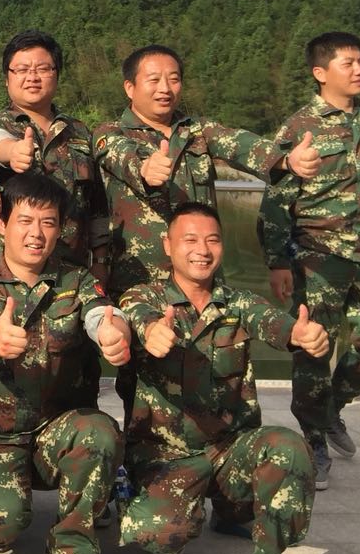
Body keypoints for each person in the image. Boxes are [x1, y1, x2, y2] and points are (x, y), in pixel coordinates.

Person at [118, 202, 327, 554]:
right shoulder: (145, 297)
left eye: (212, 240)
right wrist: (152, 332)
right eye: (190, 240)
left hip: (230, 450)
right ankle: (145, 495)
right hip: (166, 457)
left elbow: (272, 322)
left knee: (288, 447)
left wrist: (299, 334)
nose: (202, 250)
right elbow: (136, 318)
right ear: (168, 245)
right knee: (157, 535)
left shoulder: (239, 302)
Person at [95, 44, 318, 420]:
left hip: (200, 276)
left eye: (174, 79)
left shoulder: (197, 132)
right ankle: (144, 444)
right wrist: (147, 169)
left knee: (210, 363)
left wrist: (285, 159)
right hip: (141, 280)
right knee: (141, 376)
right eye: (154, 79)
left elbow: (243, 144)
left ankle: (213, 438)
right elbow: (122, 156)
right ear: (129, 87)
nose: (165, 87)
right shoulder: (109, 133)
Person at [0, 173, 133, 554]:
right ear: (3, 224)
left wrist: (113, 333)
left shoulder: (75, 279)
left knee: (100, 432)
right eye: (25, 221)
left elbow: (102, 312)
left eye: (48, 223)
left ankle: (70, 547)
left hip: (53, 429)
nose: (36, 234)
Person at [258, 32, 360, 490]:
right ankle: (312, 441)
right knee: (313, 349)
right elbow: (276, 199)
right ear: (320, 73)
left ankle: (329, 410)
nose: (359, 69)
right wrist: (277, 261)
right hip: (317, 254)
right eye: (348, 63)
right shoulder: (299, 127)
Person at [0, 29, 110, 409]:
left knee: (75, 375)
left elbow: (98, 207)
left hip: (71, 281)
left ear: (57, 74)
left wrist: (102, 263)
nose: (32, 77)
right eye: (21, 69)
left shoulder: (79, 134)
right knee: (8, 376)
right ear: (7, 78)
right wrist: (11, 154)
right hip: (11, 280)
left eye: (42, 68)